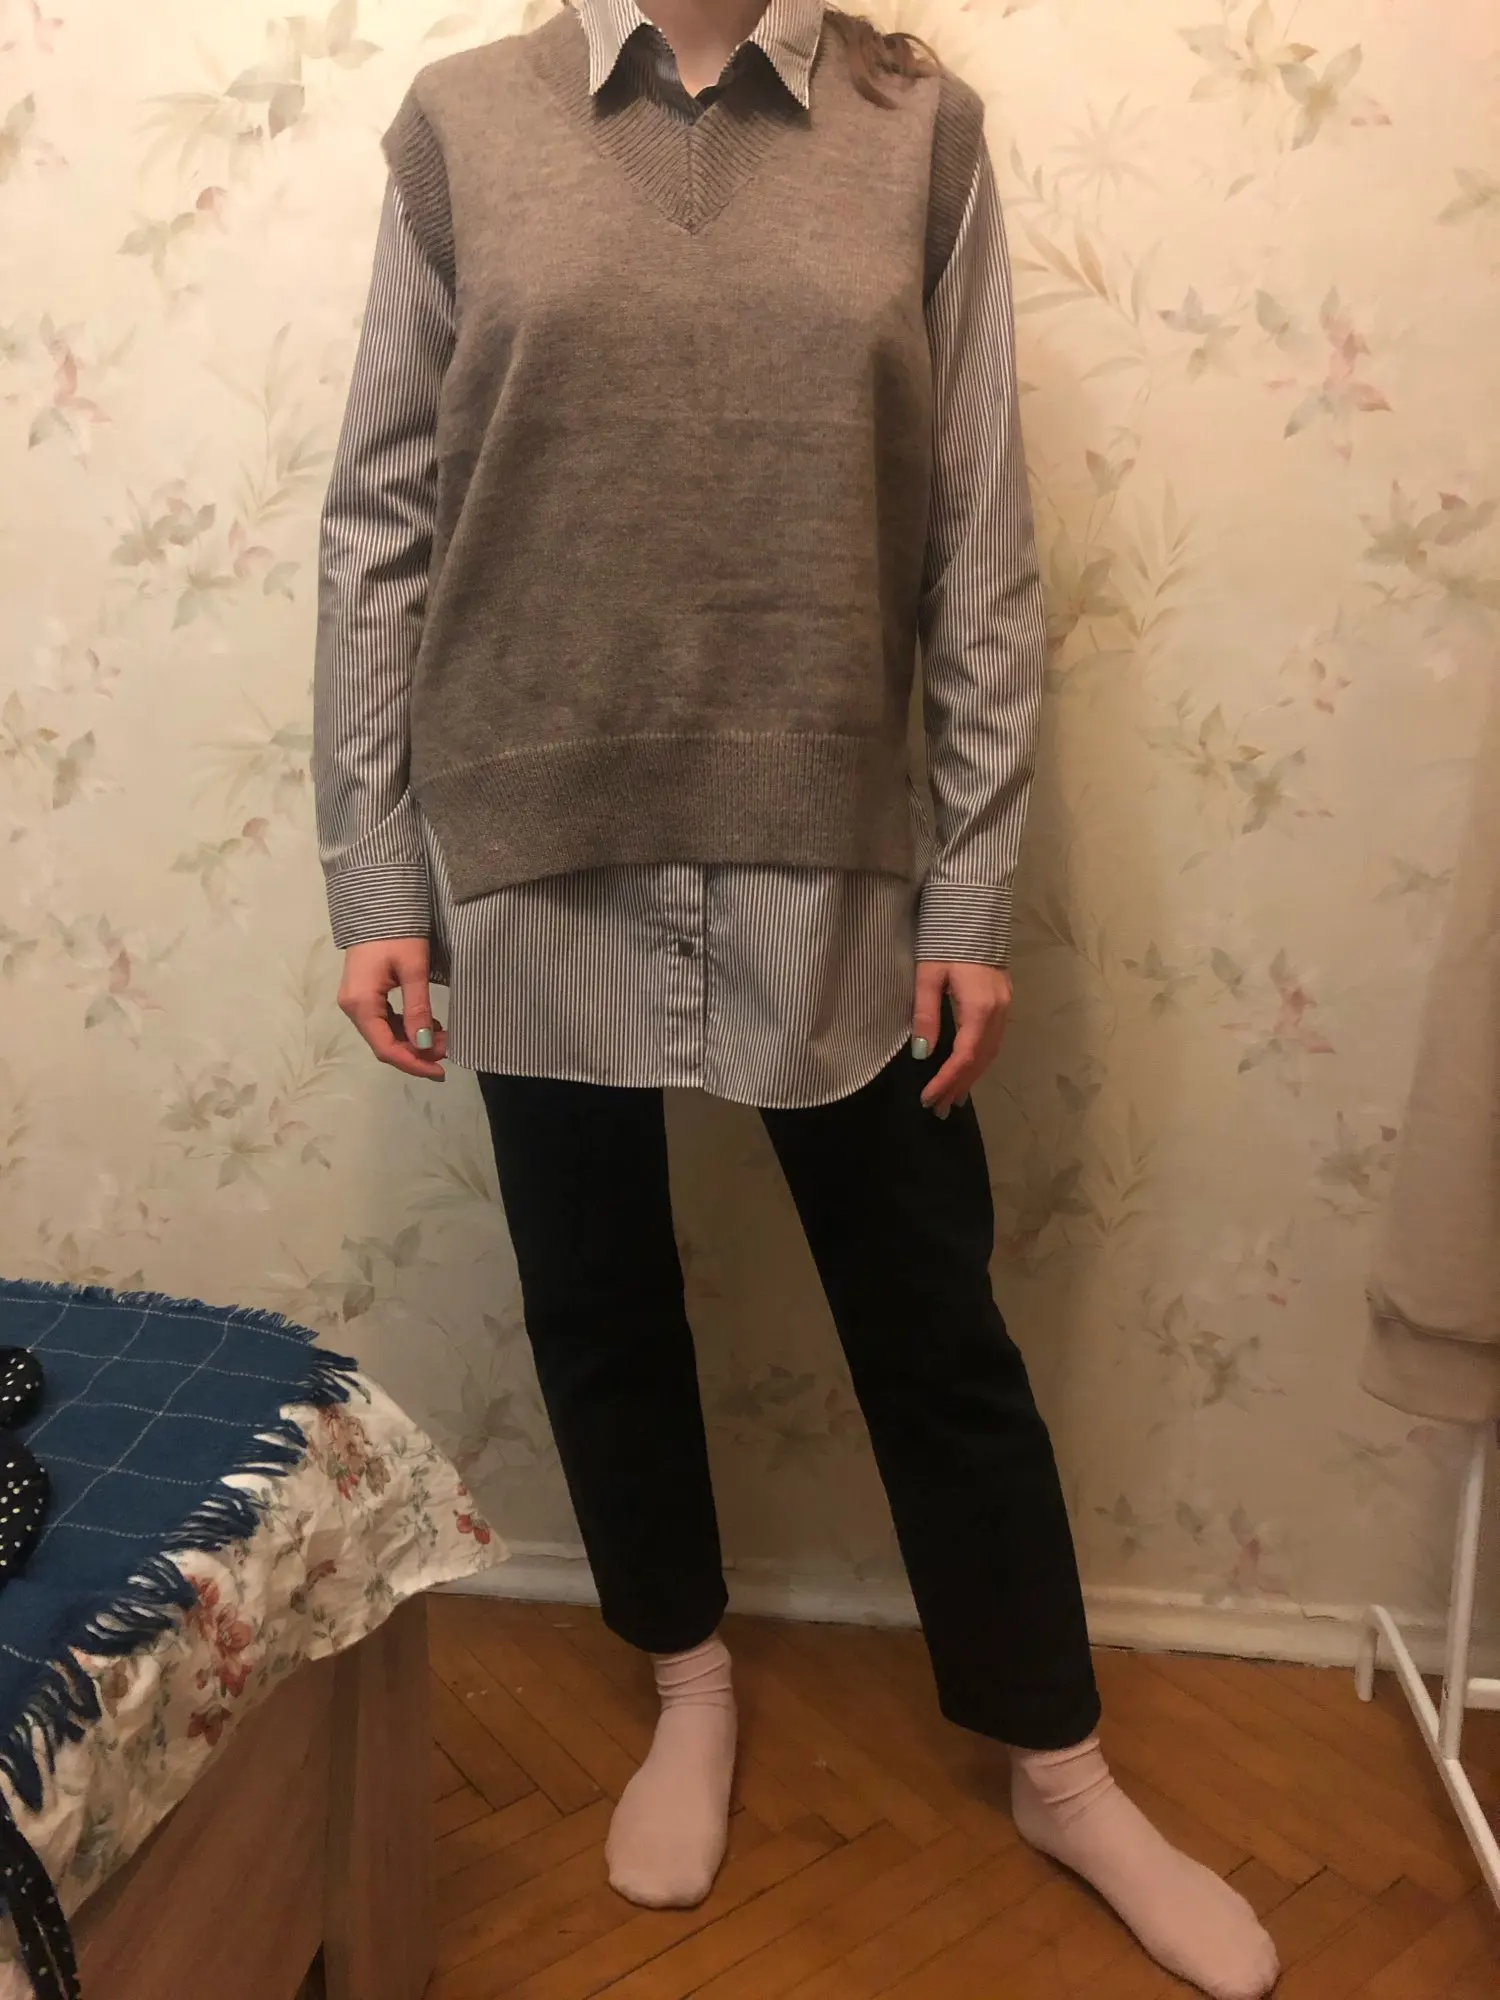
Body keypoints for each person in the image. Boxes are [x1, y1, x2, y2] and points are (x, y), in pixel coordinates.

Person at [312, 2, 1279, 1992]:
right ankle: (687, 1680)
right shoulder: (462, 128)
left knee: (928, 1318)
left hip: (834, 847)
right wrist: (372, 869)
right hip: (535, 829)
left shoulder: (916, 135)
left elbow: (979, 537)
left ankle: (1061, 1761)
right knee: (598, 1302)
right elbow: (381, 522)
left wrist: (973, 886)